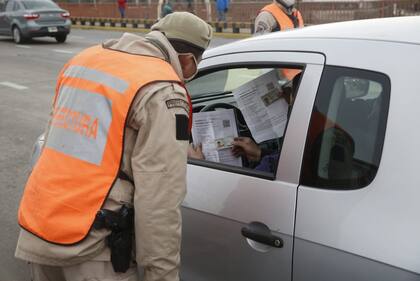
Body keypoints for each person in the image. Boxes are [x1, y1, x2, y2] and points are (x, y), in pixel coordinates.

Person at [15, 12, 213, 281]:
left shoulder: (84, 60)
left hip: (39, 228)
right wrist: (162, 275)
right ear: (188, 62)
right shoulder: (162, 90)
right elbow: (160, 199)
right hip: (92, 248)